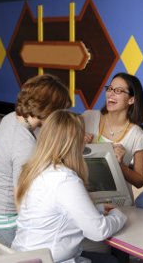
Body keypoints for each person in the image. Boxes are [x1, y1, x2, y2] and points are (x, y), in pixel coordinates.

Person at [12, 110, 127, 263]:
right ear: (74, 143)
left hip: (24, 256)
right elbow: (98, 232)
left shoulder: (36, 168)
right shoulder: (64, 179)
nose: (85, 141)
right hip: (48, 260)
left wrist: (98, 209)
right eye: (82, 136)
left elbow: (57, 213)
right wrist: (119, 216)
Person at [0, 74, 71, 256]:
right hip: (4, 221)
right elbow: (21, 199)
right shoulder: (25, 146)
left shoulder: (11, 117)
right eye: (59, 112)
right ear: (48, 110)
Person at [82, 72, 143, 199]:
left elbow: (139, 181)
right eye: (110, 89)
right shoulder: (88, 117)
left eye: (118, 91)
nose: (110, 94)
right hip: (85, 197)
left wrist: (119, 164)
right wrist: (76, 140)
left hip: (118, 202)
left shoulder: (138, 135)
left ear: (131, 99)